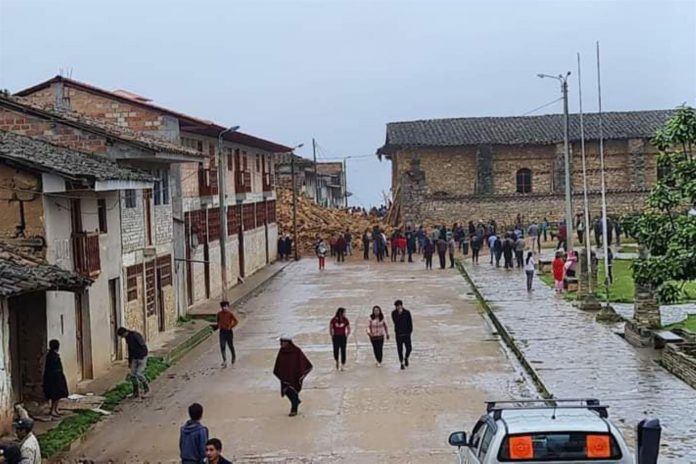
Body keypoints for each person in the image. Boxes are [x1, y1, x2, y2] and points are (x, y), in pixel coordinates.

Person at [273, 335, 313, 417]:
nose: (281, 344)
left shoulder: (296, 351)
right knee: (287, 390)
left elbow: (303, 362)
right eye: (281, 342)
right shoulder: (281, 351)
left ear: (288, 342)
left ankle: (294, 408)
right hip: (284, 374)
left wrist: (299, 370)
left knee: (293, 389)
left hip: (294, 374)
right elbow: (279, 362)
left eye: (283, 342)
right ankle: (296, 401)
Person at [117, 327, 149, 398]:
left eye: (122, 336)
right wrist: (130, 361)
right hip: (134, 358)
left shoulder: (135, 335)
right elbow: (130, 350)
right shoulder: (127, 338)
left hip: (142, 357)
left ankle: (147, 389)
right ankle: (135, 392)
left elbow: (143, 346)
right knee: (132, 375)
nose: (122, 337)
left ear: (124, 333)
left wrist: (142, 357)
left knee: (138, 374)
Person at [43, 339, 69, 417]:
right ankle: (53, 410)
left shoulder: (52, 355)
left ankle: (55, 409)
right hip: (54, 378)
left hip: (55, 377)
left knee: (57, 395)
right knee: (55, 394)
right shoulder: (52, 356)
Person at [391, 300, 413, 370]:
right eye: (397, 306)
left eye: (400, 305)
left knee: (409, 348)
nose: (399, 307)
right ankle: (401, 363)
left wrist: (410, 331)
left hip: (406, 334)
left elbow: (410, 322)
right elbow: (396, 322)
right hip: (399, 334)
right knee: (400, 349)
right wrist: (399, 314)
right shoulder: (394, 313)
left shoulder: (407, 312)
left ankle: (406, 357)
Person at [216, 301, 239, 368]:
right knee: (222, 346)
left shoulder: (230, 314)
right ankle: (224, 360)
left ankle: (233, 356)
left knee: (230, 345)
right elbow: (218, 321)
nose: (225, 308)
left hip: (229, 332)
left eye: (226, 306)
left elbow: (236, 321)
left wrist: (231, 326)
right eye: (224, 307)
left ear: (228, 307)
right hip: (222, 332)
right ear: (221, 307)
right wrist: (219, 325)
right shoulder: (219, 314)